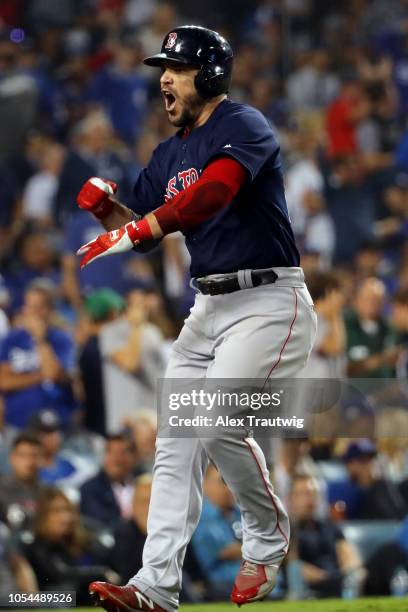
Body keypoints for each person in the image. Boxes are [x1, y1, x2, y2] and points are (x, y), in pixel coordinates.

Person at [75, 26, 317, 611]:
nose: (164, 77)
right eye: (163, 67)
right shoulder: (167, 154)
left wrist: (141, 225)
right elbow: (150, 230)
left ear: (208, 75)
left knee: (211, 422)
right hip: (207, 307)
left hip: (267, 300)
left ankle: (266, 537)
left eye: (176, 68)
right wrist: (112, 211)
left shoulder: (244, 125)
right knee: (175, 444)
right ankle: (155, 586)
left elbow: (214, 194)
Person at [0, 281, 77, 429]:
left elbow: (54, 374)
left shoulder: (62, 340)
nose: (32, 312)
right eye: (29, 306)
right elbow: (4, 381)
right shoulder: (11, 340)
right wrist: (40, 375)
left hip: (55, 424)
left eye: (38, 307)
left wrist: (40, 340)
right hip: (17, 423)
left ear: (50, 310)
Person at [22, 488, 113, 605]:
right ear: (43, 514)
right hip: (37, 598)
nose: (66, 518)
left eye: (68, 511)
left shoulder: (73, 541)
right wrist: (101, 572)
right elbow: (58, 575)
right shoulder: (35, 543)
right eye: (56, 511)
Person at [289, 475, 363, 598]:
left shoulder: (329, 526)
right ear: (292, 498)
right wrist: (327, 579)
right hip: (313, 587)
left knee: (390, 552)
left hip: (339, 580)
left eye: (313, 494)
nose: (309, 499)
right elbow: (294, 566)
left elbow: (349, 555)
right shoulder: (288, 530)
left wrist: (349, 573)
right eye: (304, 494)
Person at [191, 464, 242, 600]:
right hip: (221, 585)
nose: (228, 488)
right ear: (205, 484)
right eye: (222, 482)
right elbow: (221, 550)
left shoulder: (241, 513)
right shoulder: (200, 516)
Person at [80, 434, 138, 529]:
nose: (117, 459)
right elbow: (99, 523)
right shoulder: (90, 489)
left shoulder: (144, 482)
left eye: (123, 452)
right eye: (111, 452)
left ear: (134, 456)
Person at [0, 433, 46, 531]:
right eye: (23, 455)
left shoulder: (48, 494)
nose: (29, 461)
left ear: (42, 459)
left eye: (34, 456)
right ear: (12, 458)